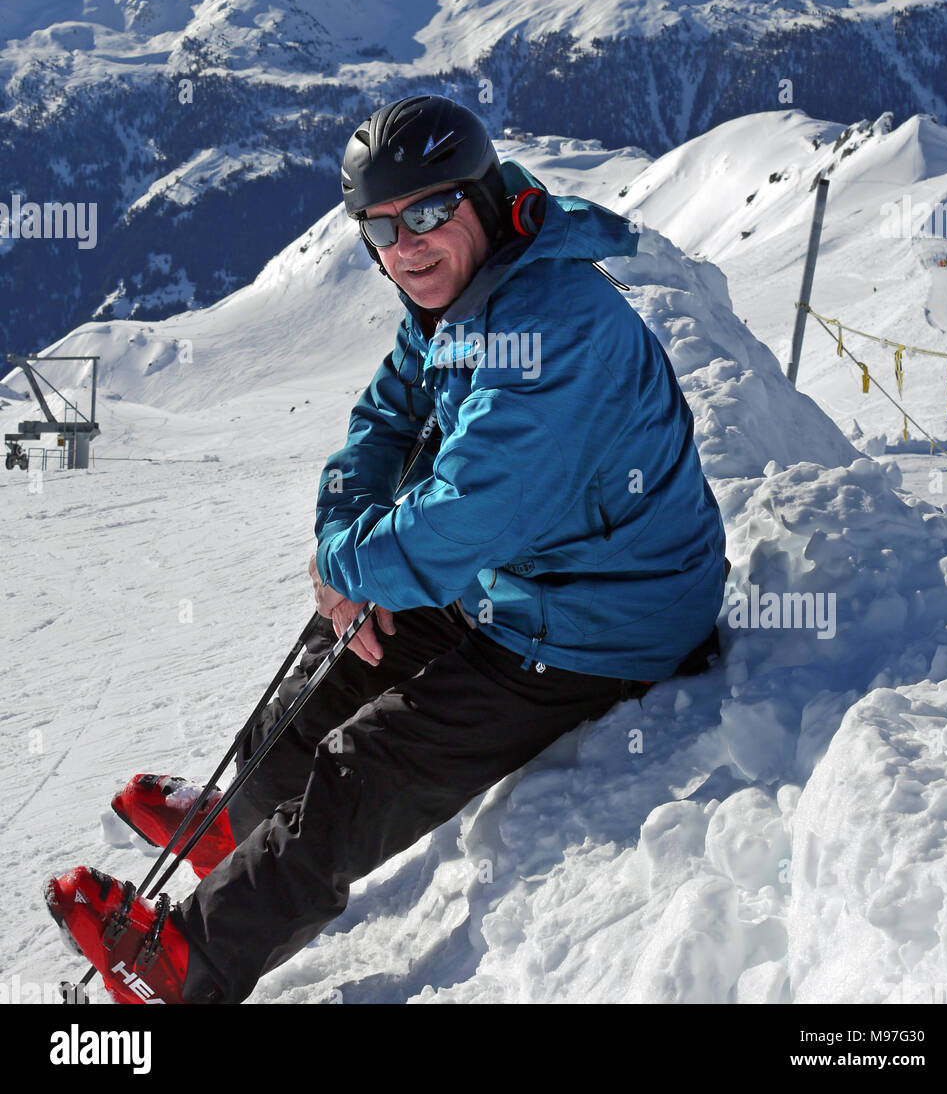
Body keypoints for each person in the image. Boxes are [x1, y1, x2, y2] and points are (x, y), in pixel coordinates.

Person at [47, 94, 727, 1004]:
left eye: (428, 211)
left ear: (483, 200)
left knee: (370, 762)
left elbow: (458, 522)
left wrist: (355, 566)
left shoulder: (554, 332)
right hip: (522, 573)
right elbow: (383, 422)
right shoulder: (464, 291)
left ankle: (189, 965)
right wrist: (345, 545)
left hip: (604, 619)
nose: (404, 245)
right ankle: (238, 828)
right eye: (380, 227)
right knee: (336, 660)